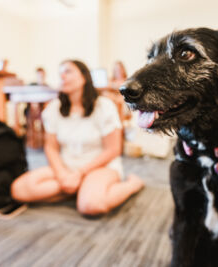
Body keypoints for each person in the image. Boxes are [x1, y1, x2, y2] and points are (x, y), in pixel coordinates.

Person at [10, 60, 144, 216]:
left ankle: (132, 185)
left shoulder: (104, 106)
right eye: (60, 72)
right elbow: (51, 147)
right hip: (67, 166)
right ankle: (79, 189)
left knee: (91, 206)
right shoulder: (53, 108)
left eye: (68, 71)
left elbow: (113, 150)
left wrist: (80, 173)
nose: (62, 75)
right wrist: (62, 174)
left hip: (100, 166)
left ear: (84, 77)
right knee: (18, 190)